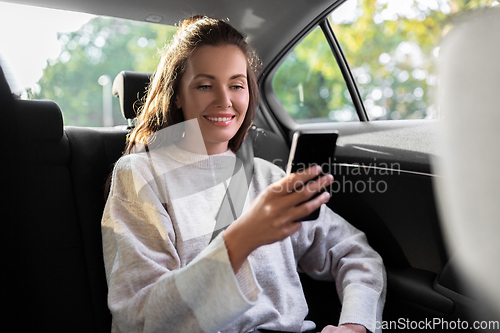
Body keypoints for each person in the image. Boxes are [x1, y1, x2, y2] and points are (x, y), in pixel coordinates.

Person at [102, 16, 386, 333]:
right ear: (178, 95)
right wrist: (244, 237)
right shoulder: (141, 173)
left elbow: (356, 254)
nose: (225, 101)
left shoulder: (267, 177)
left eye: (236, 85)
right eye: (205, 85)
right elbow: (140, 320)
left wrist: (355, 324)